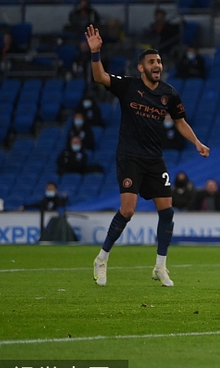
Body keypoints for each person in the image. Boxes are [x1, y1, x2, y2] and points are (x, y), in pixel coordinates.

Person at [87, 26, 209, 289]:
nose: (158, 65)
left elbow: (180, 121)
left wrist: (196, 142)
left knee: (167, 212)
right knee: (128, 211)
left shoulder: (169, 93)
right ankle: (101, 259)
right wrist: (96, 53)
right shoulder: (128, 86)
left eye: (160, 62)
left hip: (155, 159)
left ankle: (160, 267)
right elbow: (100, 77)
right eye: (152, 62)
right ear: (141, 67)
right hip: (130, 157)